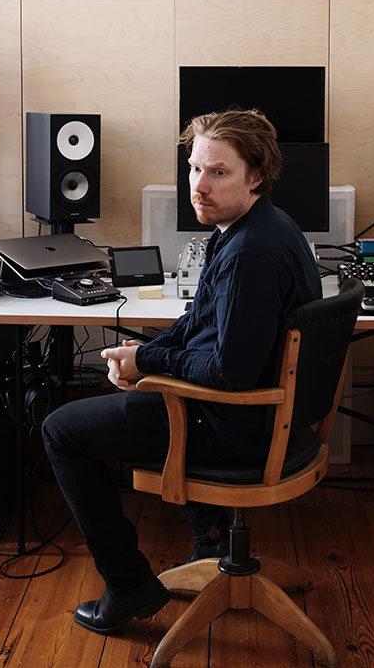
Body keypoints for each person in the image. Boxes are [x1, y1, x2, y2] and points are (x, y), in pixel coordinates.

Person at [41, 108, 322, 635]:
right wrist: (142, 352)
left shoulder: (250, 254)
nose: (200, 185)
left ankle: (128, 585)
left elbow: (229, 373)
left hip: (234, 425)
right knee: (142, 390)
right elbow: (198, 322)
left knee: (61, 430)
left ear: (256, 176)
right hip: (255, 418)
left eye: (219, 172)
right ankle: (210, 542)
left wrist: (147, 364)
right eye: (195, 169)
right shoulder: (252, 226)